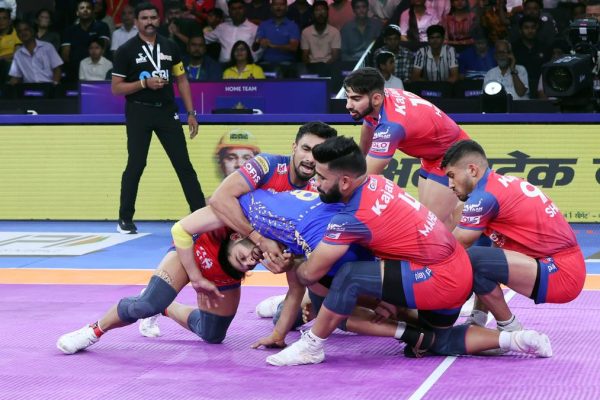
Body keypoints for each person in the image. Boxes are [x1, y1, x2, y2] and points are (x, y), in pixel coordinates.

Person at [265, 136, 553, 366]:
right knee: (438, 341)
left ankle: (312, 346)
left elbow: (311, 273)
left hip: (438, 279)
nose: (315, 184)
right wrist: (388, 298)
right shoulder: (379, 183)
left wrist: (292, 260)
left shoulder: (351, 218)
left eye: (320, 177)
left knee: (349, 276)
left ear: (344, 182)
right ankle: (518, 339)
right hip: (454, 274)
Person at [56, 187, 370, 354]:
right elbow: (180, 230)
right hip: (191, 256)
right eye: (250, 255)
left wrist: (283, 265)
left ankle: (165, 308)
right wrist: (195, 277)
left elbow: (291, 283)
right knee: (146, 303)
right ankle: (93, 330)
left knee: (212, 335)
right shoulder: (226, 219)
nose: (252, 262)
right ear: (237, 236)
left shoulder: (274, 238)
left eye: (255, 262)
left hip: (221, 276)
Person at [441, 139, 586, 331]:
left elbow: (452, 248)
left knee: (468, 258)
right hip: (564, 266)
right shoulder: (501, 184)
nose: (450, 184)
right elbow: (494, 252)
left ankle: (511, 329)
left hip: (561, 272)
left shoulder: (484, 197)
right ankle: (477, 320)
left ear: (472, 170)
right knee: (482, 250)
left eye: (452, 176)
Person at [111, 2, 206, 234]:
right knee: (136, 164)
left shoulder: (170, 46)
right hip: (139, 111)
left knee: (183, 164)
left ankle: (201, 217)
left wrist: (191, 113)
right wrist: (144, 83)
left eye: (153, 17)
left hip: (166, 111)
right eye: (144, 18)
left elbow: (181, 80)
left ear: (159, 19)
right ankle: (125, 219)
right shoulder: (125, 50)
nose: (149, 22)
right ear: (136, 22)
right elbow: (116, 88)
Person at [344, 67, 469, 228]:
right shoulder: (378, 99)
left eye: (355, 99)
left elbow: (366, 176)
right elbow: (368, 127)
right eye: (347, 97)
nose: (348, 105)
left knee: (430, 224)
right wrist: (359, 157)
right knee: (438, 219)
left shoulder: (391, 126)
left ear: (376, 98)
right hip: (433, 154)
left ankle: (473, 209)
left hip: (455, 154)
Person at [209, 121, 338, 258]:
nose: (311, 159)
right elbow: (219, 199)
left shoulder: (319, 191)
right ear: (294, 147)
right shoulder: (268, 164)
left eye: (319, 153)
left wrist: (291, 262)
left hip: (246, 263)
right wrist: (258, 238)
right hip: (213, 246)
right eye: (306, 149)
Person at [60, 0, 111, 82]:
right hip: (74, 70)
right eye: (82, 8)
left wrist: (92, 65)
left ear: (93, 12)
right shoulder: (69, 30)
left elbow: (103, 48)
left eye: (88, 8)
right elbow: (65, 54)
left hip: (97, 67)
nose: (85, 10)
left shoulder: (102, 26)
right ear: (77, 13)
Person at [8, 19, 62, 85]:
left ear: (32, 31)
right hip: (29, 88)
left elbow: (57, 69)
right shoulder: (18, 54)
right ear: (17, 35)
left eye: (26, 30)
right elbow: (16, 77)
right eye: (20, 31)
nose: (23, 33)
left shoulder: (47, 47)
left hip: (48, 86)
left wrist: (55, 85)